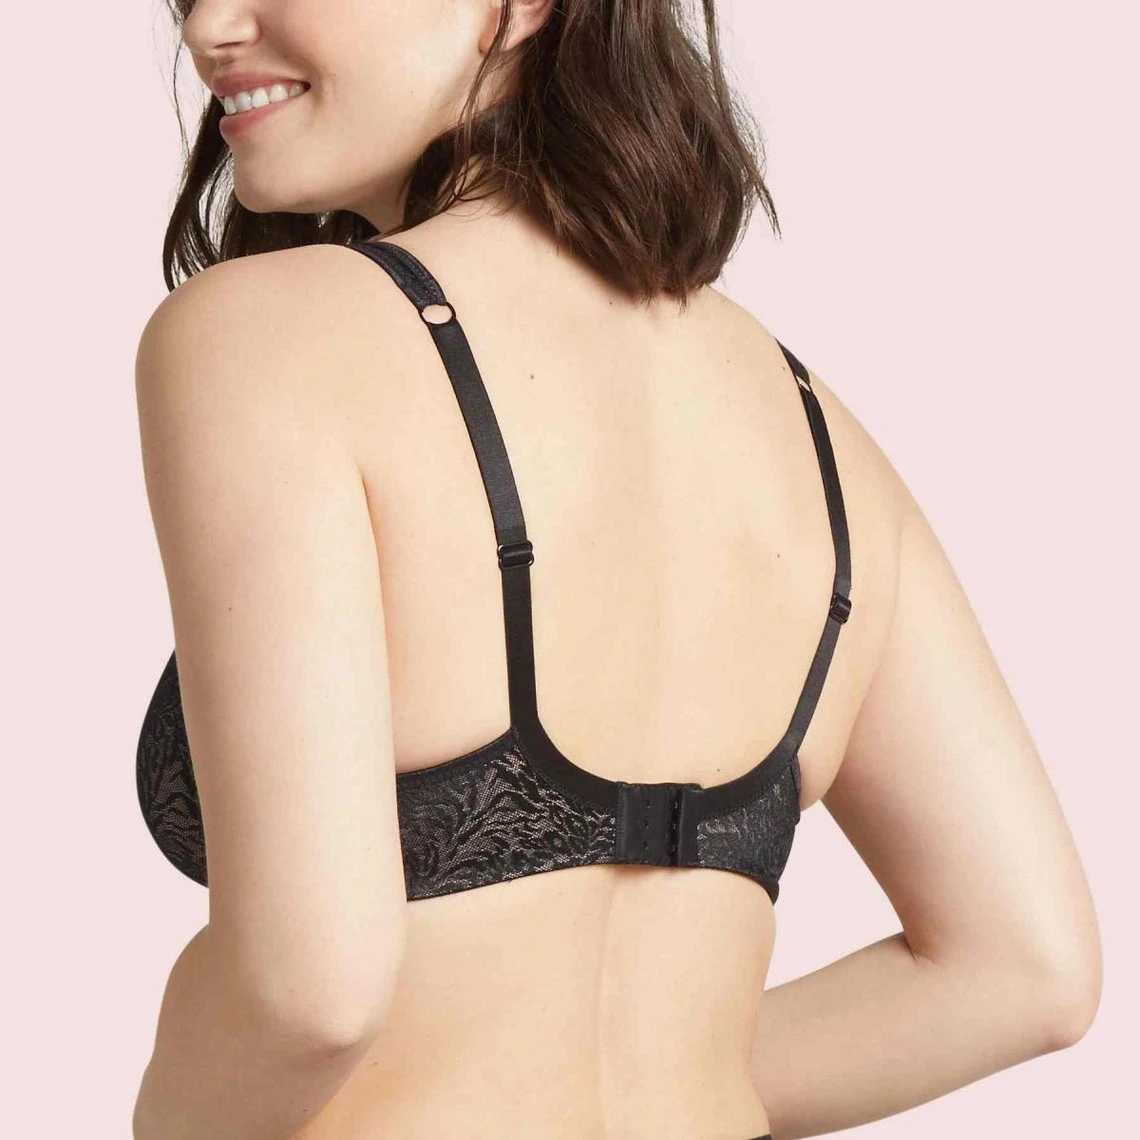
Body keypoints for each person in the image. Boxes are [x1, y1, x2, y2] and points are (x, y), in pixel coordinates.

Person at [130, 2, 1102, 1139]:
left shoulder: (266, 336)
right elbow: (1023, 968)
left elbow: (309, 993)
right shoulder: (807, 424)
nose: (210, 28)